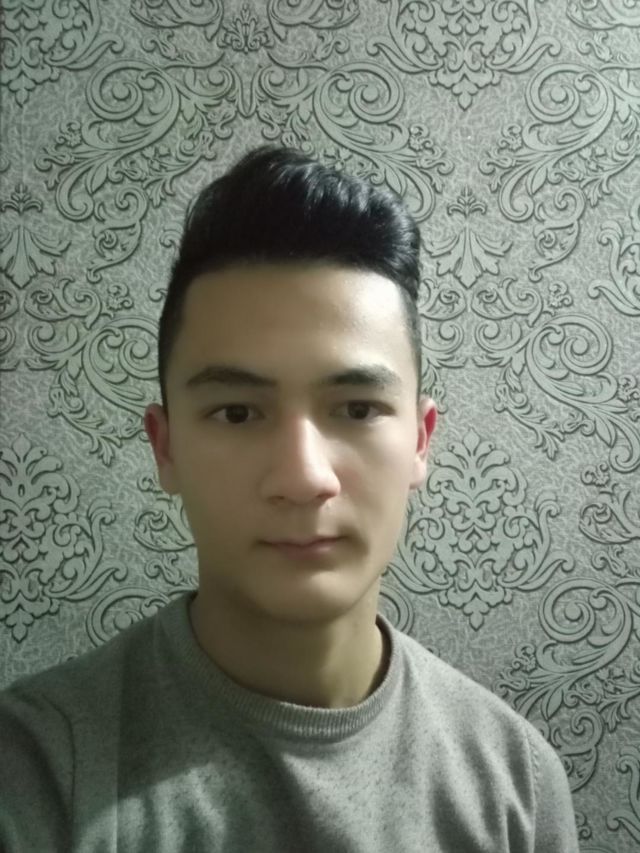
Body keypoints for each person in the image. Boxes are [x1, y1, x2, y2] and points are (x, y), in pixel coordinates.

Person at [0, 145, 580, 852]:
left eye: (358, 409)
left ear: (420, 441)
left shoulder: (517, 784)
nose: (304, 477)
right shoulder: (37, 770)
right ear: (166, 447)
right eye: (237, 413)